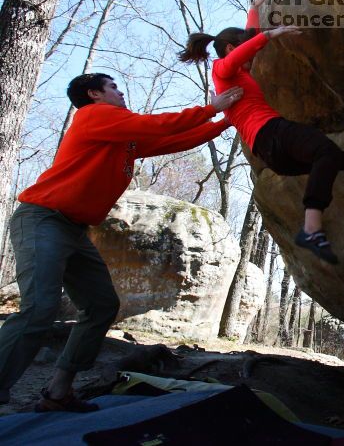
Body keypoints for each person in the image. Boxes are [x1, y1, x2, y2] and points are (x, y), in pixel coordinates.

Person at [0, 73, 243, 412]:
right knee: (39, 308)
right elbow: (157, 126)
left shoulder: (120, 138)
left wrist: (225, 122)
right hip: (43, 219)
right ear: (94, 94)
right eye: (113, 87)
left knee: (101, 306)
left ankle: (57, 393)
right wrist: (209, 109)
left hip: (75, 229)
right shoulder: (92, 115)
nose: (121, 91)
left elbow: (172, 140)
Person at [178, 0, 344, 265]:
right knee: (326, 152)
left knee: (333, 159)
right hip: (272, 133)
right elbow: (245, 49)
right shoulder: (221, 69)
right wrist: (270, 34)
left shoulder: (235, 78)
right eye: (242, 49)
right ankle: (312, 227)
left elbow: (250, 37)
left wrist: (254, 8)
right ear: (231, 48)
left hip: (273, 155)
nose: (253, 58)